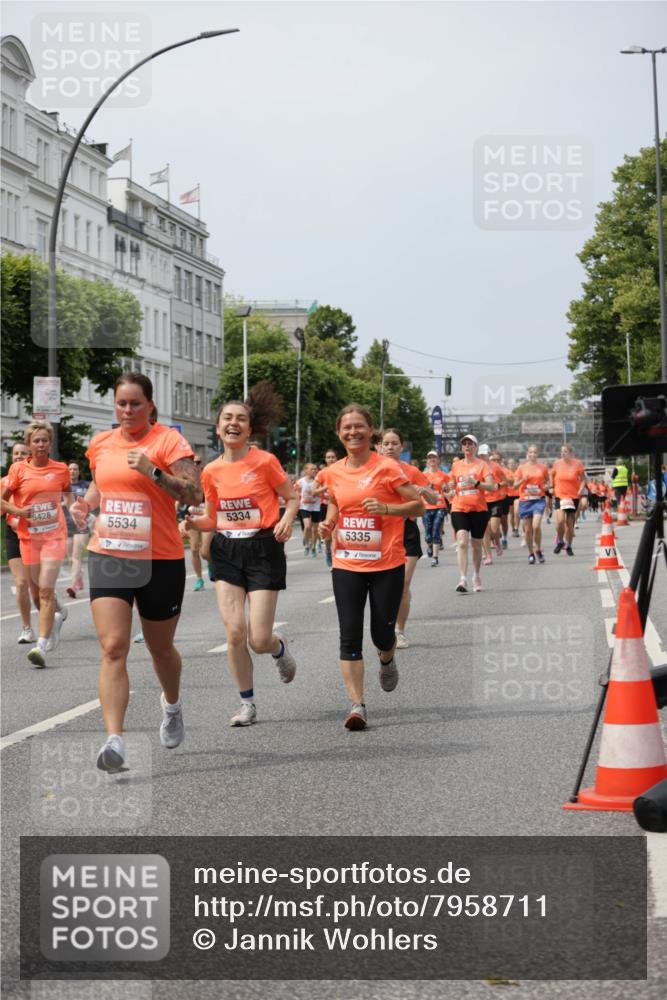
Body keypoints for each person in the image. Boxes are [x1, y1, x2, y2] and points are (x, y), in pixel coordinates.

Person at [71, 373, 200, 772]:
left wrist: (153, 471)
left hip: (159, 557)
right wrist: (85, 506)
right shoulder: (101, 443)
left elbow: (194, 494)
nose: (127, 411)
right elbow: (101, 485)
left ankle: (172, 704)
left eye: (135, 404)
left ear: (150, 405)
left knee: (161, 649)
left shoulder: (167, 442)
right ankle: (115, 739)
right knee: (113, 648)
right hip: (110, 553)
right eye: (121, 404)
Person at [185, 382, 300, 728]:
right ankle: (246, 704)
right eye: (227, 418)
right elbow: (213, 515)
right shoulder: (211, 471)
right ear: (218, 427)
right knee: (234, 633)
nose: (233, 423)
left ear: (249, 428)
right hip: (227, 549)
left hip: (263, 546)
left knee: (258, 638)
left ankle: (279, 649)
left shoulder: (264, 461)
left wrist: (286, 519)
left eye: (240, 419)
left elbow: (291, 497)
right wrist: (193, 522)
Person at [317, 405, 422, 730]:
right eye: (347, 427)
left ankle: (387, 658)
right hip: (347, 562)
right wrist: (329, 524)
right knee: (349, 635)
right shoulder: (333, 472)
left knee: (381, 633)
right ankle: (357, 705)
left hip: (386, 564)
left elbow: (418, 506)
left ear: (370, 430)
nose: (353, 432)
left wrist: (387, 508)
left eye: (359, 426)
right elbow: (336, 500)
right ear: (339, 432)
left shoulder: (387, 468)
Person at [1, 421, 71, 667]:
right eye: (36, 441)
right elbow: (2, 502)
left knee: (45, 589)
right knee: (34, 592)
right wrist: (20, 510)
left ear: (50, 443)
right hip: (28, 537)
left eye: (45, 440)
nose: (41, 444)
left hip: (53, 536)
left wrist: (78, 511)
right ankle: (53, 623)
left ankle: (40, 644)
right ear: (30, 445)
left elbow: (68, 495)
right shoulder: (18, 470)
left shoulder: (61, 469)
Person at [380, 429, 437, 649]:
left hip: (406, 529)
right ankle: (384, 625)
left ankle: (398, 631)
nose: (390, 447)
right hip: (381, 531)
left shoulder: (411, 471)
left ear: (401, 447)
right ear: (380, 447)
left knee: (402, 584)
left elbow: (434, 497)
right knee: (385, 586)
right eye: (386, 443)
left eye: (395, 443)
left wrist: (423, 490)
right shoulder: (373, 470)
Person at [446, 435, 495, 593]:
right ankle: (462, 579)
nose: (467, 447)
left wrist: (476, 483)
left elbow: (492, 487)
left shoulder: (482, 465)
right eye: (464, 444)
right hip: (459, 507)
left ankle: (476, 575)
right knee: (461, 541)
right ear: (462, 448)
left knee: (476, 544)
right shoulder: (456, 466)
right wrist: (451, 486)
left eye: (470, 444)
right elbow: (451, 485)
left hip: (479, 510)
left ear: (475, 447)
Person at [2, 441, 37, 643]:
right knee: (21, 582)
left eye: (23, 453)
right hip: (13, 533)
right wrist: (16, 510)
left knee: (36, 586)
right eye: (15, 453)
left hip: (34, 535)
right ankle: (27, 628)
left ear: (29, 456)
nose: (18, 457)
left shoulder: (34, 479)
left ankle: (52, 604)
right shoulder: (4, 481)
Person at [515, 445, 550, 564]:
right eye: (531, 452)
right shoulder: (521, 468)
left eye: (535, 452)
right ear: (527, 454)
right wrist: (523, 480)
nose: (533, 455)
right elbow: (515, 485)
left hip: (538, 500)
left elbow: (548, 482)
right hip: (525, 501)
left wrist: (546, 487)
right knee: (528, 530)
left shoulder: (543, 468)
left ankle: (538, 549)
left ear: (537, 454)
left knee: (536, 526)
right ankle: (530, 553)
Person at [178, 454, 208, 591]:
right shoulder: (187, 479)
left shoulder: (208, 477)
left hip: (207, 517)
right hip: (192, 518)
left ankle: (212, 565)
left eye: (197, 462)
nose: (195, 465)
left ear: (201, 464)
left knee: (205, 552)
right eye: (192, 462)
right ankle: (199, 578)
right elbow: (179, 496)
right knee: (194, 548)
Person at [550, 444, 586, 556]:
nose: (563, 453)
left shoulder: (578, 464)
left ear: (571, 453)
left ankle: (569, 545)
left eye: (565, 451)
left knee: (570, 525)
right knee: (560, 521)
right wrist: (551, 487)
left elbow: (583, 479)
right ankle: (560, 541)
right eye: (562, 451)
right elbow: (551, 475)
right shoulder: (557, 463)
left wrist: (581, 489)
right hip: (560, 495)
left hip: (573, 496)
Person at [65, 460, 91, 598]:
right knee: (70, 558)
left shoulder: (86, 485)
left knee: (76, 556)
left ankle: (73, 586)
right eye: (70, 469)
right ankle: (78, 578)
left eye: (75, 469)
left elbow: (94, 500)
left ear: (79, 472)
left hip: (82, 524)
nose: (72, 471)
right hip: (68, 525)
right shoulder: (63, 486)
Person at [422, 450, 450, 567]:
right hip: (426, 507)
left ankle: (435, 557)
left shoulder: (443, 475)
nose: (432, 460)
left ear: (438, 460)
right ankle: (429, 545)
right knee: (428, 535)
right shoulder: (422, 475)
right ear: (427, 461)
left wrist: (446, 489)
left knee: (436, 531)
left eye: (434, 458)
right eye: (430, 458)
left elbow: (449, 489)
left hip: (440, 506)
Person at [313, 448, 339, 568]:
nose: (331, 459)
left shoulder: (342, 470)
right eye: (328, 457)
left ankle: (336, 559)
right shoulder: (322, 473)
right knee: (328, 535)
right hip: (325, 506)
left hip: (340, 505)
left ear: (336, 458)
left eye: (333, 457)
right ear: (325, 459)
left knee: (336, 533)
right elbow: (313, 491)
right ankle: (328, 550)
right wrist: (325, 488)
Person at [297, 463, 322, 557]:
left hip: (315, 507)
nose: (314, 471)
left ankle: (313, 548)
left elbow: (320, 493)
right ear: (306, 471)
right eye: (312, 469)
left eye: (315, 469)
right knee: (307, 526)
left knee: (315, 530)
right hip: (304, 507)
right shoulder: (300, 482)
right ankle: (306, 542)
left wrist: (318, 491)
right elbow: (296, 493)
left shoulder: (318, 481)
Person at [505, 458, 521, 538]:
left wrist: (512, 481)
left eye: (513, 463)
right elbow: (509, 481)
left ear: (516, 464)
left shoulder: (518, 472)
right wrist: (513, 481)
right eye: (510, 463)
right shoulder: (506, 472)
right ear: (507, 465)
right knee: (511, 514)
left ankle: (517, 528)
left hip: (517, 495)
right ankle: (513, 529)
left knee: (516, 512)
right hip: (509, 495)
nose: (512, 465)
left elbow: (514, 481)